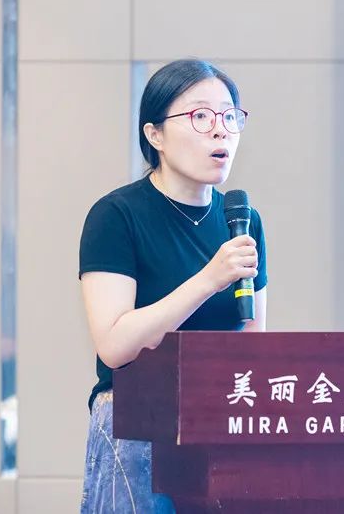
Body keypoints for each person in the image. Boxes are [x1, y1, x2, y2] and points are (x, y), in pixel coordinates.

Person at [78, 59, 268, 513]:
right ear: (155, 135)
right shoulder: (116, 215)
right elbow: (114, 346)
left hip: (220, 420)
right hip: (137, 424)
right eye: (201, 116)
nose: (220, 130)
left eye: (229, 116)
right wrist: (208, 280)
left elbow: (253, 342)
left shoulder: (243, 221)